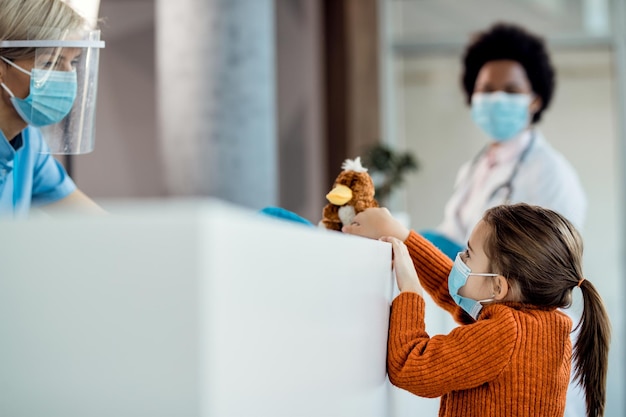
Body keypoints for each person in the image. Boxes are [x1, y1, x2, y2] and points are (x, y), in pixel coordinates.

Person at [343, 204, 610, 417]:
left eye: (468, 254)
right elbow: (455, 291)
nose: (461, 260)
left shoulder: (506, 333)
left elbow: (410, 366)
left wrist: (410, 291)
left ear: (497, 287)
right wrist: (403, 237)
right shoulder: (544, 326)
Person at [422, 23, 586, 260]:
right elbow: (454, 237)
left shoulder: (551, 174)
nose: (497, 99)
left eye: (511, 90)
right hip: (464, 293)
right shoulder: (473, 169)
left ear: (535, 100)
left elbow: (554, 262)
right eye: (486, 90)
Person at [0, 0, 106, 218]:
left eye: (73, 63)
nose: (67, 76)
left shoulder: (28, 143)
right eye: (50, 63)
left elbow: (94, 222)